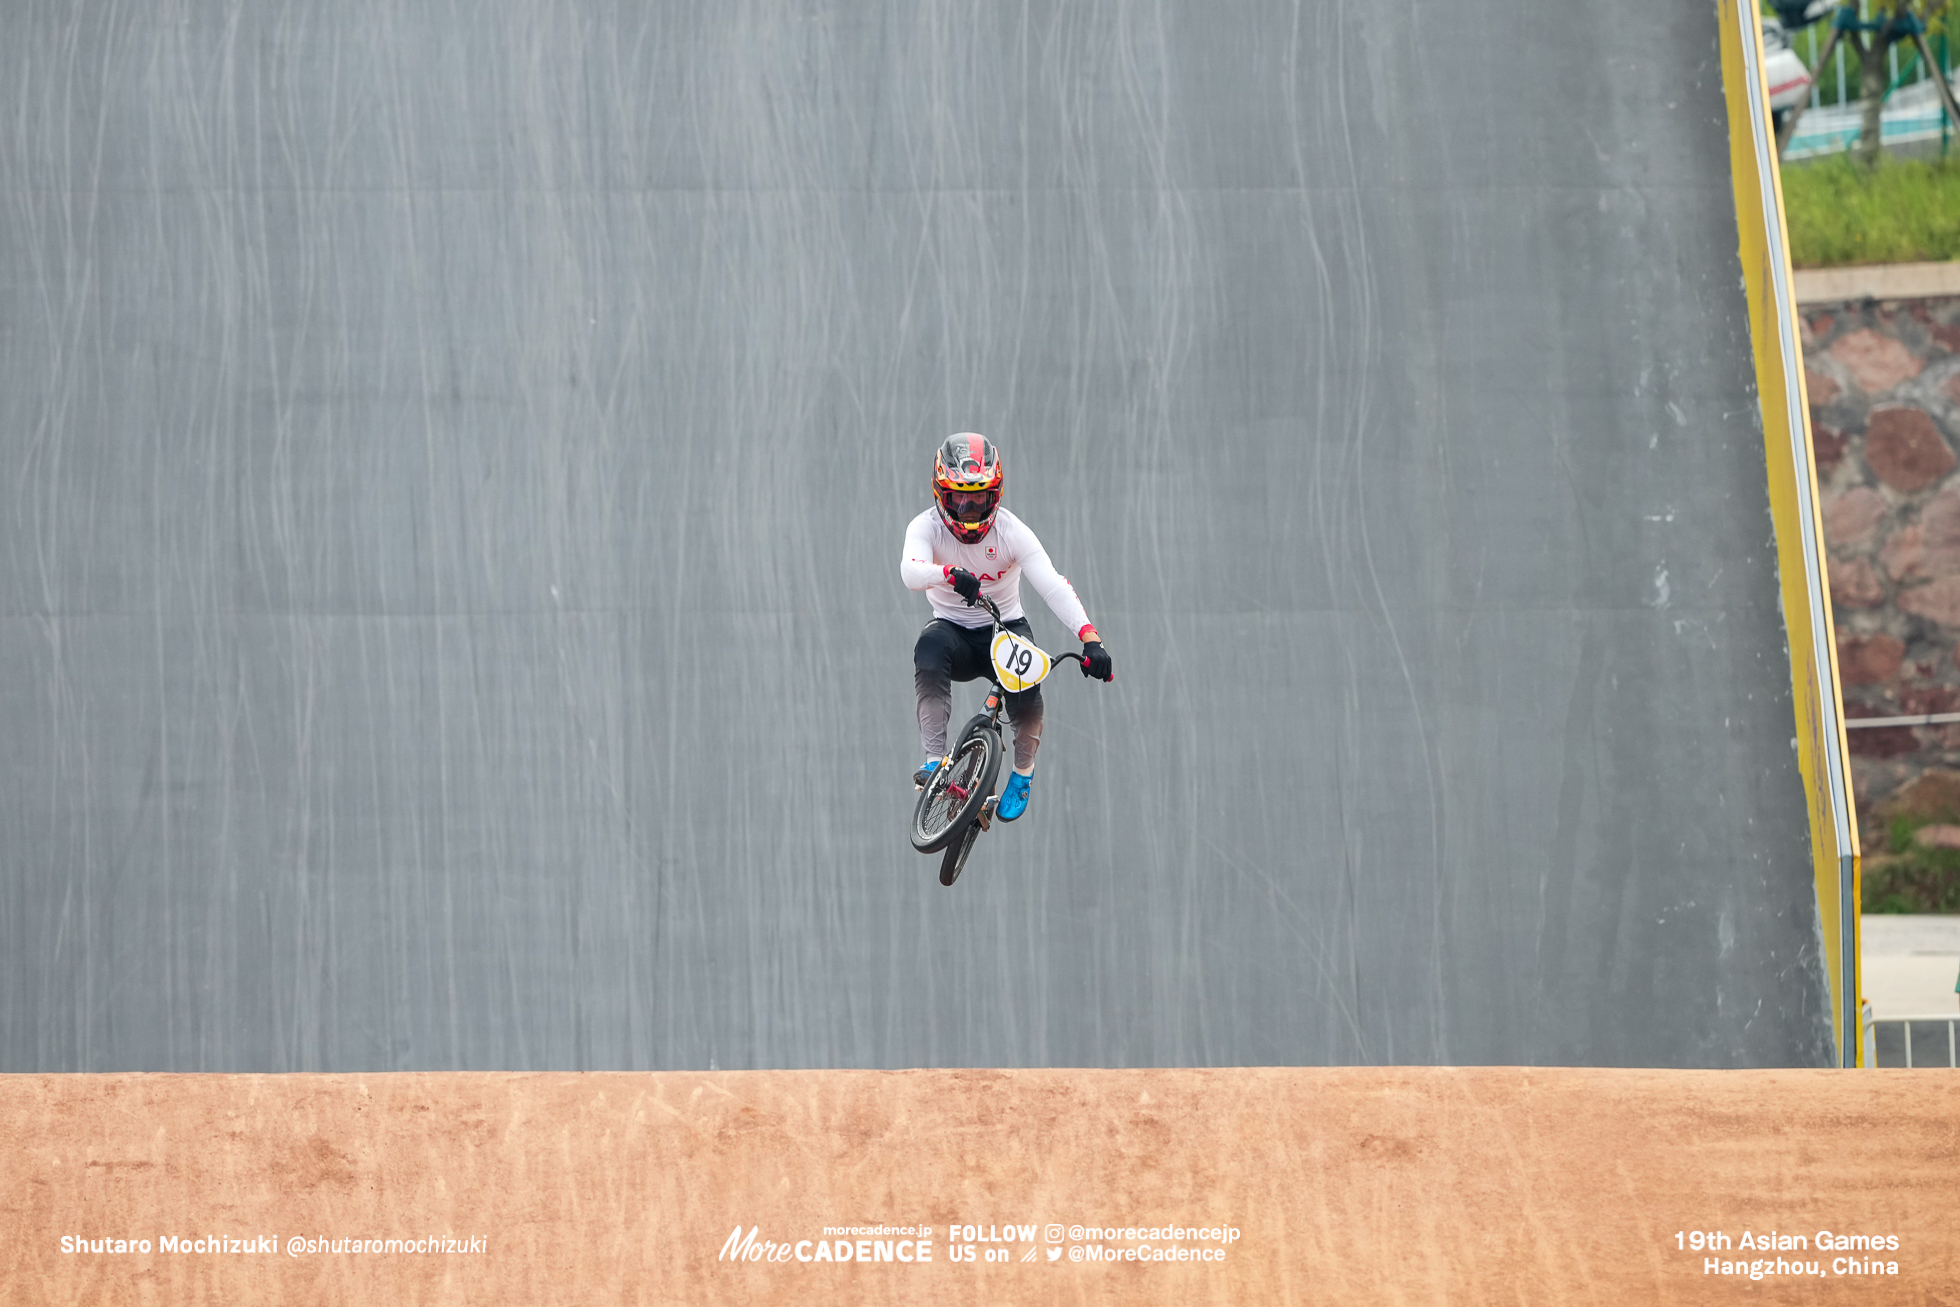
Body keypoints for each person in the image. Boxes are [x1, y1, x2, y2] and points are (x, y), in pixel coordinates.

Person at [900, 433, 1112, 822]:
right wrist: (947, 573)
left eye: (978, 498)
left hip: (1005, 628)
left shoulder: (1012, 532)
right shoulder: (926, 527)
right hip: (952, 631)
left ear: (994, 494)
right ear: (940, 494)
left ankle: (1022, 774)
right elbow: (911, 572)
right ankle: (934, 765)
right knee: (928, 652)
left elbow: (1052, 585)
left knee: (1028, 689)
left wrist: (1089, 638)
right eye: (958, 498)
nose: (967, 509)